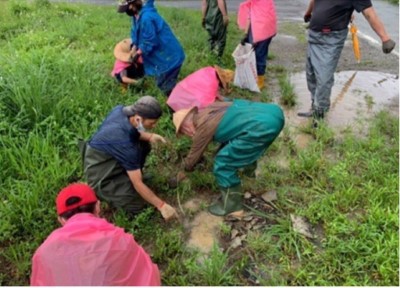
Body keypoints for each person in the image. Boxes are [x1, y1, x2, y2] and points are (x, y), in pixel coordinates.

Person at [30, 183, 161, 286]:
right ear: (98, 206)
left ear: (61, 220)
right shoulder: (119, 239)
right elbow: (148, 277)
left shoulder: (43, 254)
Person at [172, 99, 284, 217]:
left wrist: (184, 170)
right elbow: (230, 128)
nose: (186, 134)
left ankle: (233, 207)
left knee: (223, 163)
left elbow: (193, 157)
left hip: (262, 126)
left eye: (183, 131)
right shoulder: (211, 108)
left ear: (186, 125)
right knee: (242, 146)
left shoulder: (202, 128)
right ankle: (249, 175)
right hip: (273, 112)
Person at [298, 0, 396, 126]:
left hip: (331, 39)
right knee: (311, 74)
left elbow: (370, 14)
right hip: (314, 35)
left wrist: (385, 38)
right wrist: (308, 13)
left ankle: (319, 116)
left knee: (323, 77)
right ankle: (315, 106)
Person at [80, 96, 178, 220]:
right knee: (139, 205)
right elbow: (137, 183)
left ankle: (128, 177)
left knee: (143, 144)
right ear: (138, 118)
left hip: (109, 156)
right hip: (100, 173)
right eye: (152, 123)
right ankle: (105, 190)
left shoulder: (121, 110)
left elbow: (131, 132)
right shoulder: (126, 145)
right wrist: (161, 205)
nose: (154, 126)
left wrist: (150, 136)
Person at [118, 0, 185, 96]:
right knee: (161, 83)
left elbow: (150, 41)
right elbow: (135, 33)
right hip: (161, 56)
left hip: (168, 57)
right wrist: (134, 47)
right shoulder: (136, 16)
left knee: (165, 86)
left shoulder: (146, 18)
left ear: (133, 5)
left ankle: (179, 102)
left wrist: (138, 53)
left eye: (127, 8)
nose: (127, 11)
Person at [237, 0, 277, 90]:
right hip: (268, 28)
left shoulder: (257, 3)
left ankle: (259, 81)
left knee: (259, 55)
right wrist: (246, 34)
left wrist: (251, 37)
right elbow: (250, 15)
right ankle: (256, 77)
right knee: (259, 53)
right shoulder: (262, 2)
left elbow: (251, 17)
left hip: (261, 29)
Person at [167, 65, 234, 111]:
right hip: (181, 105)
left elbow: (204, 88)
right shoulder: (212, 83)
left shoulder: (208, 70)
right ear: (221, 82)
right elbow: (207, 102)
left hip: (176, 95)